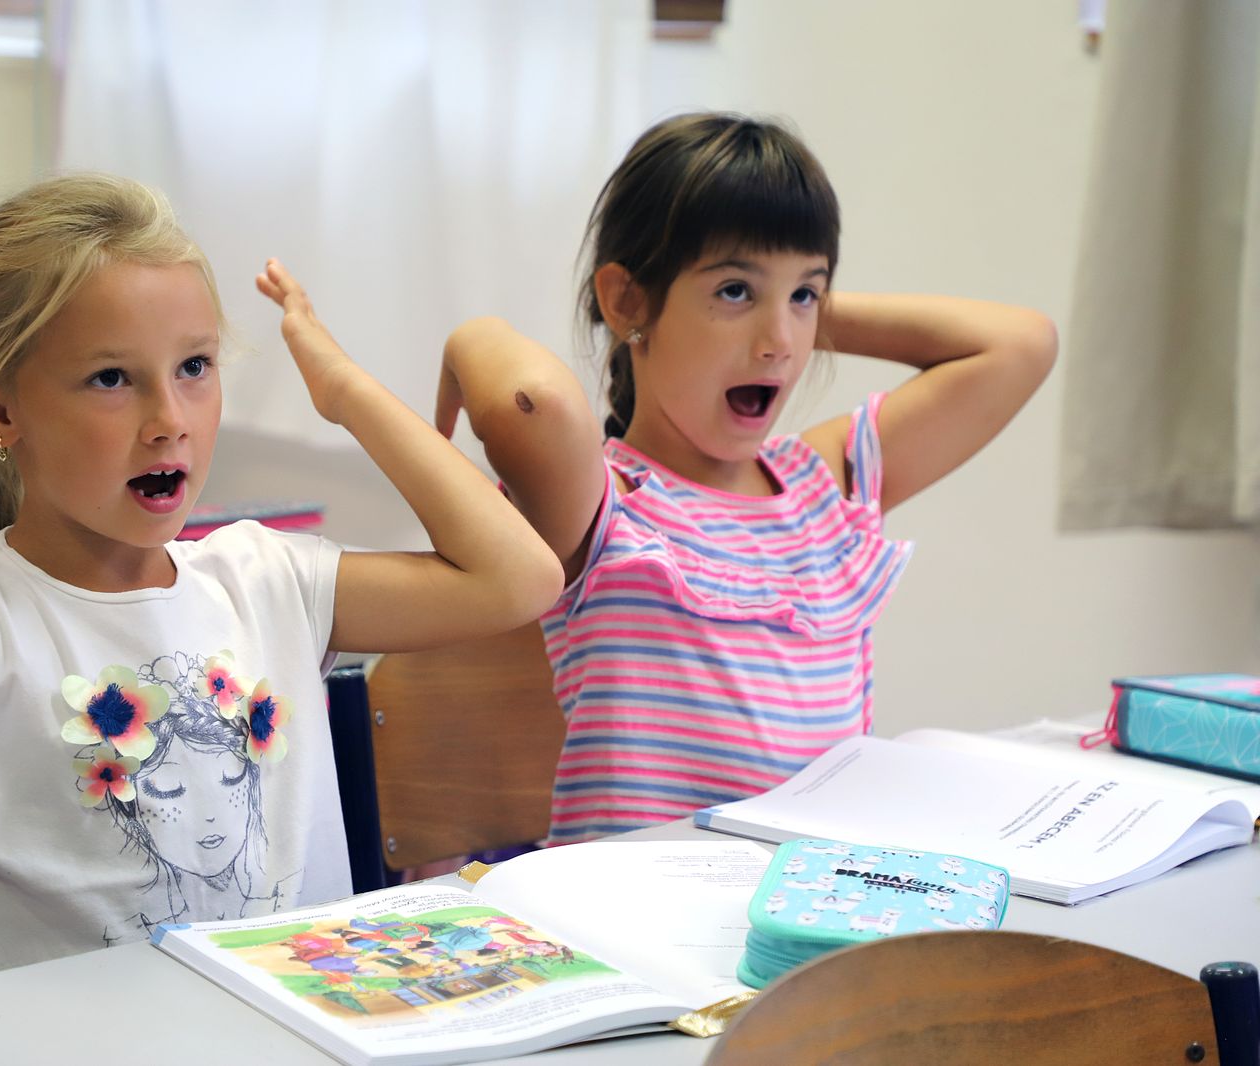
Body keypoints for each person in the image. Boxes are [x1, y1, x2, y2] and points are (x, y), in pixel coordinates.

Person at [0, 173, 562, 991]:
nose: (169, 419)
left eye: (195, 367)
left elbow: (517, 579)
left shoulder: (265, 580)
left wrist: (342, 390)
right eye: (110, 379)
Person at [436, 113, 1057, 845]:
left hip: (812, 905)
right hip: (638, 905)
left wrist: (788, 299)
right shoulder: (601, 501)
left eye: (805, 297)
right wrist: (471, 336)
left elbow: (1021, 345)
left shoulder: (823, 485)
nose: (780, 344)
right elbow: (533, 401)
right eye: (734, 292)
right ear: (627, 300)